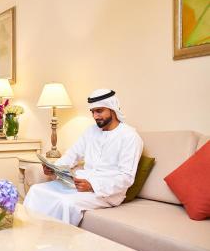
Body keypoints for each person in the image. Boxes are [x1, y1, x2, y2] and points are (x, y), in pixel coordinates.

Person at [23, 89, 143, 225]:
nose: (95, 116)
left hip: (105, 192)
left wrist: (93, 186)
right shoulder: (91, 131)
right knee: (36, 190)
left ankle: (58, 241)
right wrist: (55, 168)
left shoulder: (130, 137)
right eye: (92, 112)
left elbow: (126, 177)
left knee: (65, 203)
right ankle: (31, 232)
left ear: (112, 109)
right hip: (80, 184)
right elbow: (72, 154)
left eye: (99, 111)